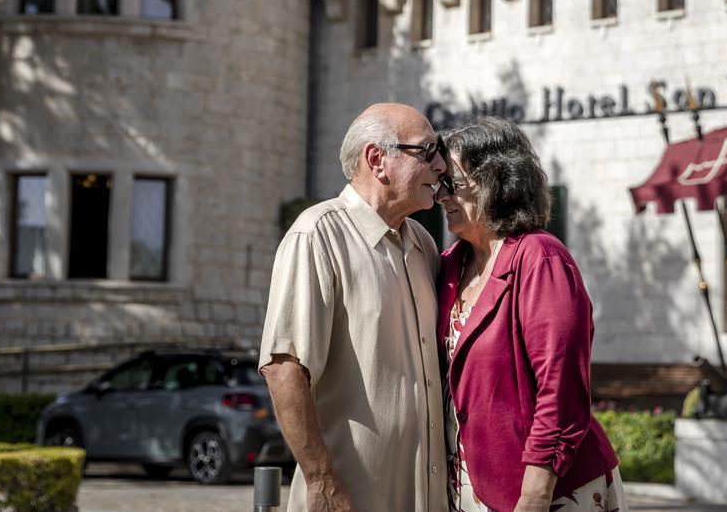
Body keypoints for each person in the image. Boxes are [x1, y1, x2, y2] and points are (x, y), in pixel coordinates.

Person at [259, 103, 449, 512]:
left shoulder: (424, 245)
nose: (442, 166)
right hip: (347, 500)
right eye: (427, 151)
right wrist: (321, 480)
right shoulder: (316, 235)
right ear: (377, 160)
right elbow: (285, 367)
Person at [434, 117, 622, 512]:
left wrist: (535, 493)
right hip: (471, 485)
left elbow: (562, 386)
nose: (442, 196)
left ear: (495, 181)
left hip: (548, 490)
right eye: (440, 185)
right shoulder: (450, 264)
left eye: (453, 183)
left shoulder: (540, 257)